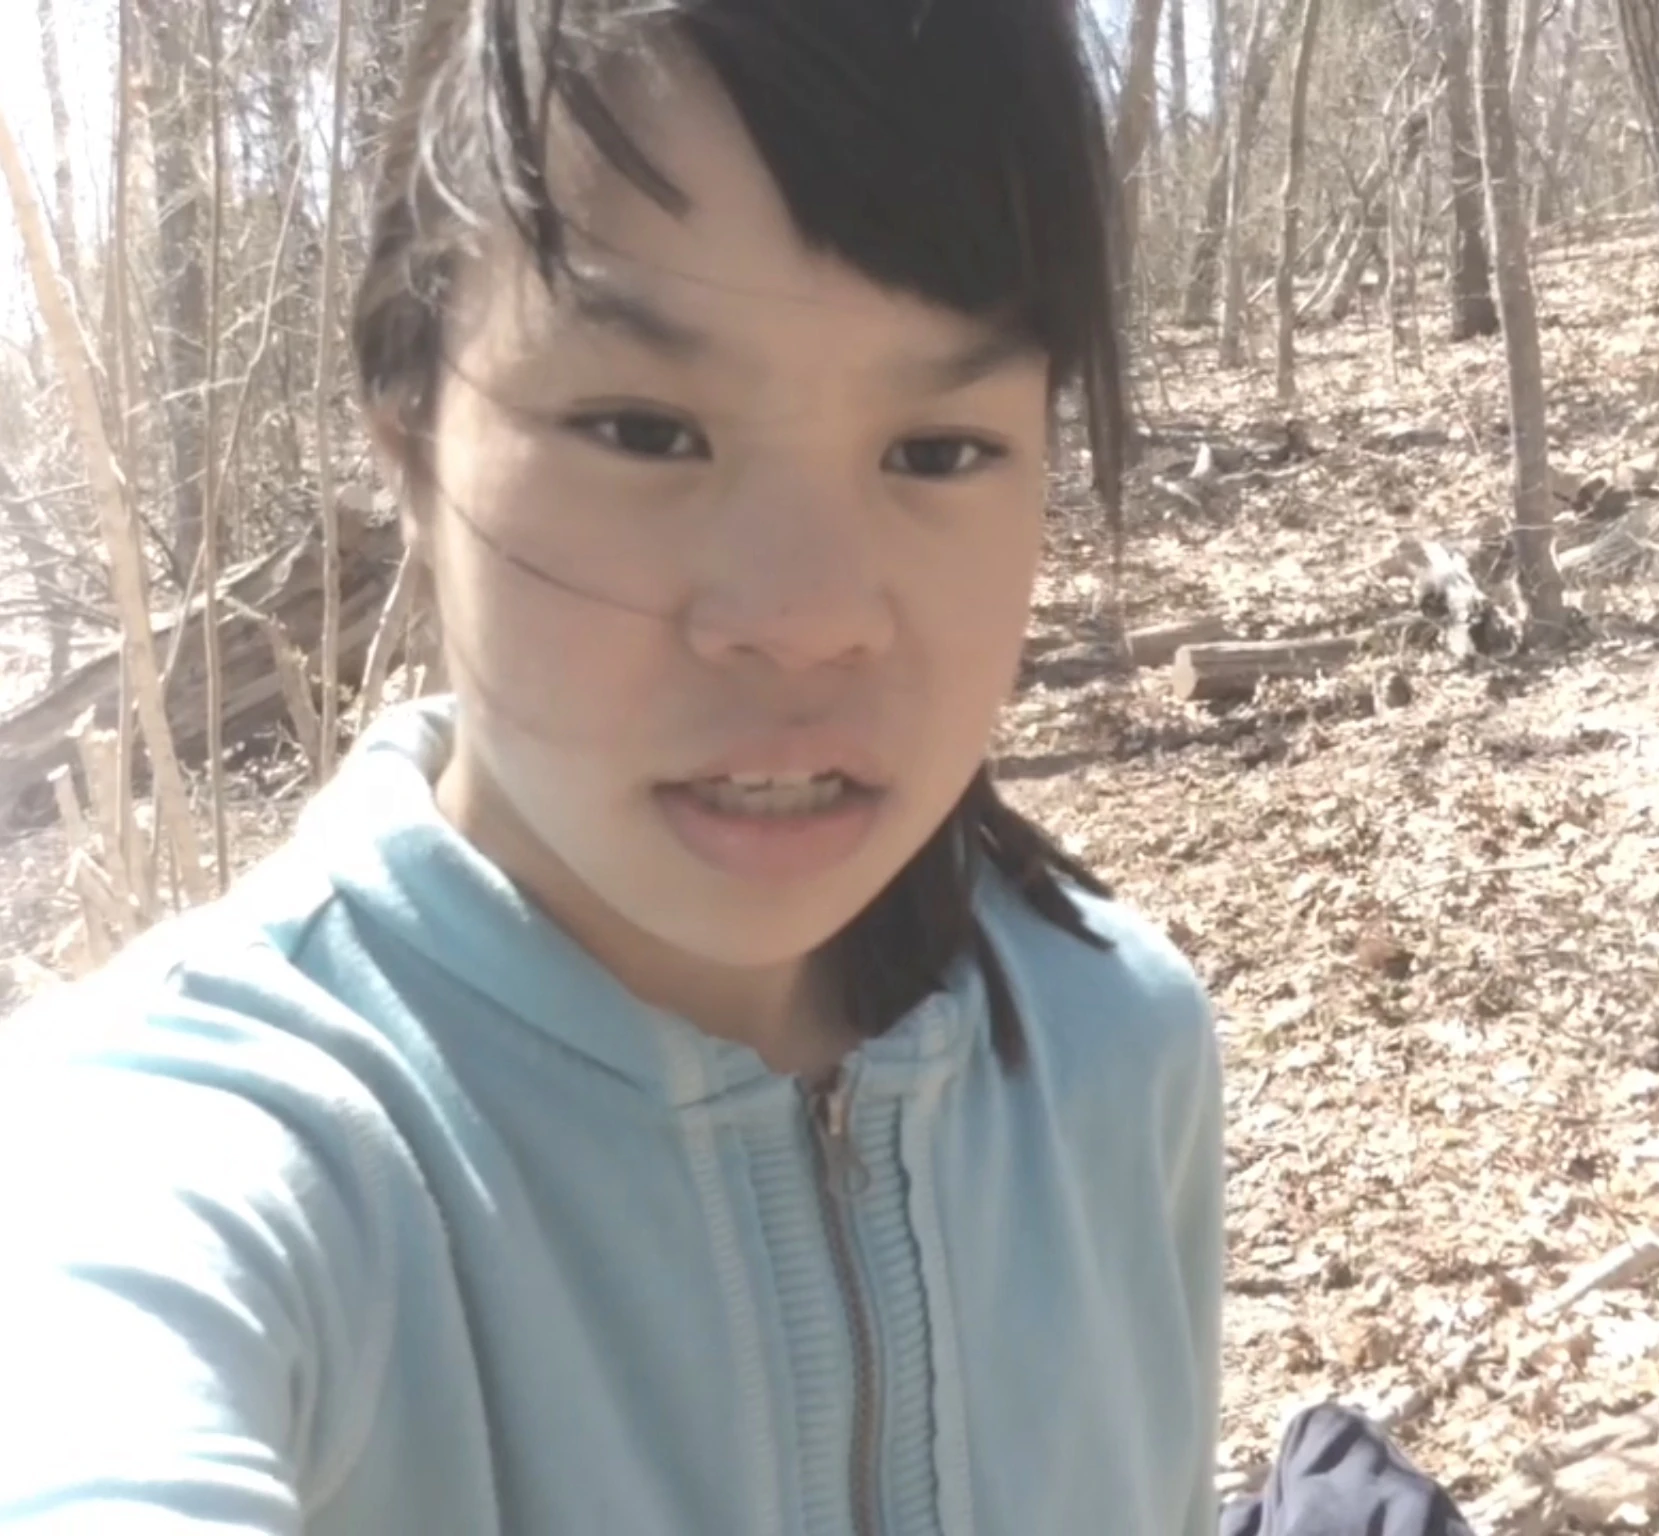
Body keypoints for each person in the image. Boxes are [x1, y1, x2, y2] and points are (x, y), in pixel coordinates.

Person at [0, 2, 1228, 1530]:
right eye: (645, 431)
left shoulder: (1112, 1049)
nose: (805, 620)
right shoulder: (177, 1156)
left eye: (937, 450)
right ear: (407, 442)